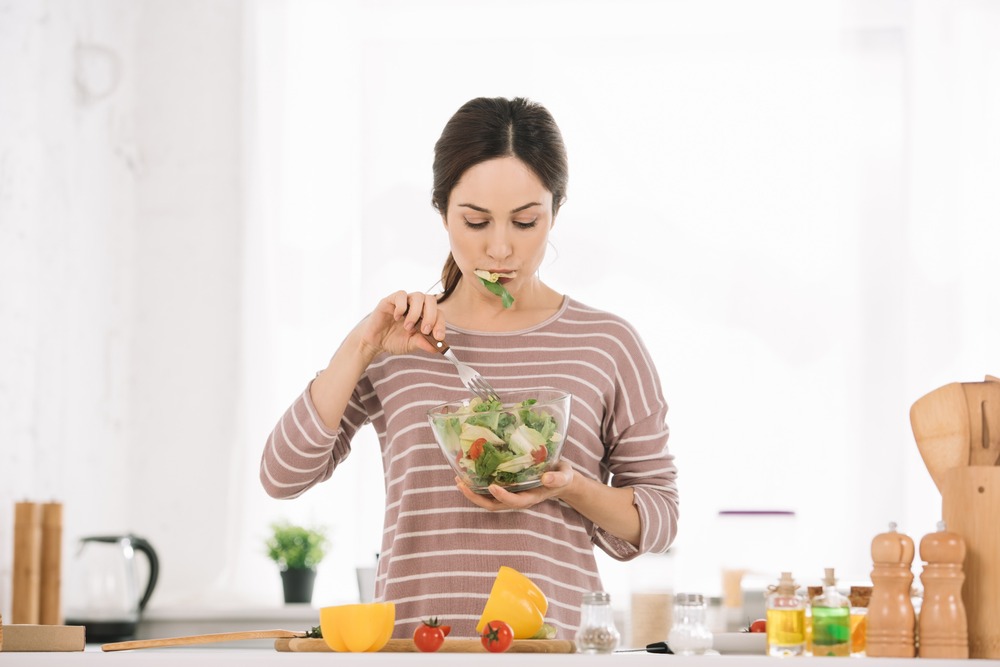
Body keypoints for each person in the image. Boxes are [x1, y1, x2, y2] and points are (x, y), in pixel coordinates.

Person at [260, 96, 678, 639]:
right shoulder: (399, 339)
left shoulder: (606, 343)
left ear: (555, 211)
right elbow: (281, 475)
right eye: (476, 221)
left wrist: (569, 485)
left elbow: (659, 520)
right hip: (418, 647)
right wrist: (360, 348)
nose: (500, 248)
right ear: (442, 211)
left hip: (555, 649)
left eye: (526, 222)